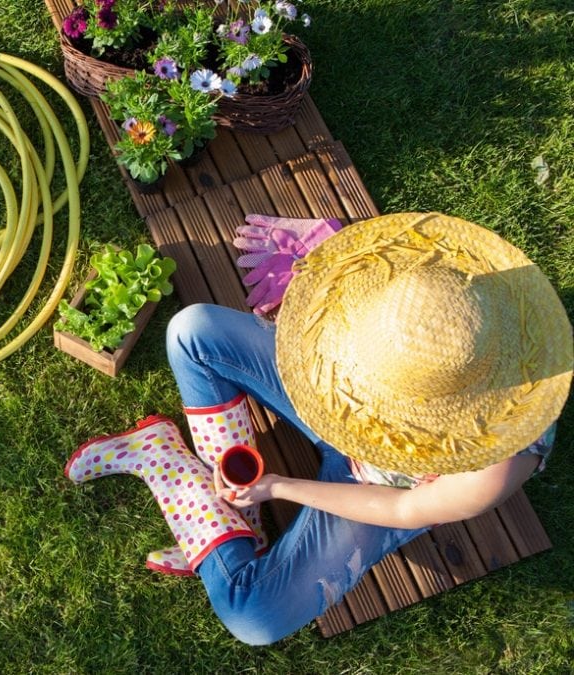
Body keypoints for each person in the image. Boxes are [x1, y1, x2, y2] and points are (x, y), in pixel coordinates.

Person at [64, 212, 573, 645]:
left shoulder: (497, 460)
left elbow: (402, 507)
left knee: (252, 617)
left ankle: (166, 465)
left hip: (373, 487)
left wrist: (280, 486)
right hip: (337, 394)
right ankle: (243, 523)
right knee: (192, 331)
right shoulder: (446, 299)